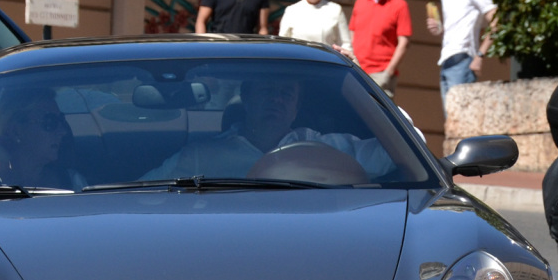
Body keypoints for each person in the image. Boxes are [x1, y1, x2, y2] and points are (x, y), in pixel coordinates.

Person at [142, 77, 395, 180]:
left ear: (296, 108)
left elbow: (398, 150)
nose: (277, 99)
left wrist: (371, 94)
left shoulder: (326, 149)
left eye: (287, 94)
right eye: (268, 91)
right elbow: (144, 191)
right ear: (247, 98)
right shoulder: (201, 156)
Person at [0, 86, 85, 190]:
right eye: (50, 122)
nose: (62, 132)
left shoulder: (72, 181)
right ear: (16, 131)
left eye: (61, 121)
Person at [426, 0, 498, 108]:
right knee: (451, 119)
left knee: (459, 115)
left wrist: (480, 56)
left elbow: (496, 21)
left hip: (464, 59)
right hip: (446, 59)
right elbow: (454, 27)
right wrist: (438, 29)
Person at [349, 0, 411, 97]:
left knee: (378, 117)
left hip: (381, 73)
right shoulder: (360, 2)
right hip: (357, 70)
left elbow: (404, 43)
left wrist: (388, 72)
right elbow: (352, 34)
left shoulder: (399, 5)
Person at [278, 0, 353, 57]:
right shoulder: (291, 11)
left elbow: (345, 44)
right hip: (299, 61)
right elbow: (282, 43)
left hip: (327, 62)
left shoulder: (335, 10)